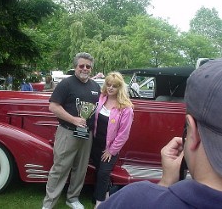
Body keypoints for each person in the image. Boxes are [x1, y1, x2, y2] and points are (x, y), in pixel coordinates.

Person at [98, 59, 222, 208]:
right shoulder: (102, 100)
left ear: (192, 131)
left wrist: (164, 183)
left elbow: (123, 133)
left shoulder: (133, 199)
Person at [42, 52, 101, 209]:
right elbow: (53, 106)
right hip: (67, 131)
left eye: (88, 66)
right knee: (60, 168)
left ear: (91, 68)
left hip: (86, 134)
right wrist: (74, 119)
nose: (85, 69)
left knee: (81, 169)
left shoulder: (95, 87)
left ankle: (72, 199)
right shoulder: (66, 84)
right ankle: (49, 203)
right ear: (75, 66)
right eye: (81, 65)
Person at [91, 72, 134, 209]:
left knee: (103, 173)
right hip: (96, 144)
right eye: (108, 85)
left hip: (110, 148)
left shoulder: (126, 108)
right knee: (99, 172)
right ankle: (108, 194)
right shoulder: (101, 98)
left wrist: (111, 150)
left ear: (119, 88)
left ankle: (99, 203)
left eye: (114, 86)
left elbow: (123, 134)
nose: (110, 88)